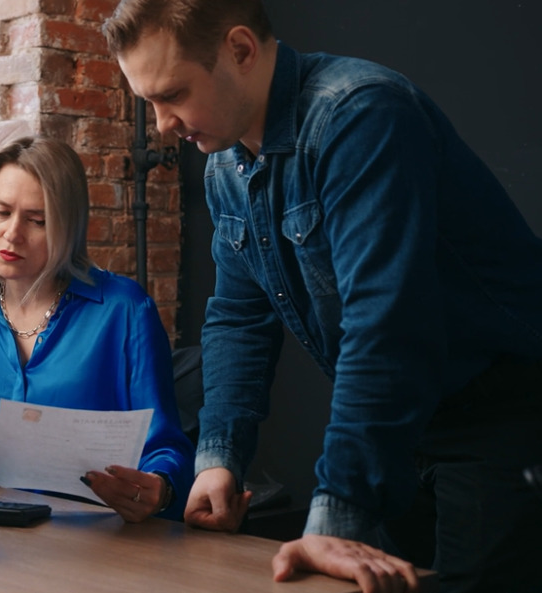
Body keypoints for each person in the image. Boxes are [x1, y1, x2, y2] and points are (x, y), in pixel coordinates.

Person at [103, 1, 542, 592]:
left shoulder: (359, 115)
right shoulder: (226, 165)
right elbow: (238, 318)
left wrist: (338, 515)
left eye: (173, 94)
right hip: (399, 429)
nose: (161, 125)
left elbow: (384, 324)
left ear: (240, 50)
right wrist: (218, 457)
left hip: (501, 416)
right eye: (148, 103)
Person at [0, 135, 195, 522]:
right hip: (3, 535)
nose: (12, 233)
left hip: (107, 537)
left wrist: (159, 486)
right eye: (1, 211)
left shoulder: (125, 311)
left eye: (37, 220)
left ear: (67, 228)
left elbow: (164, 446)